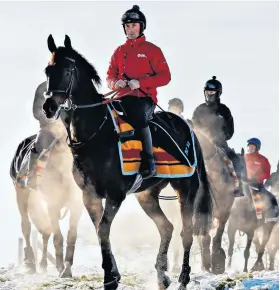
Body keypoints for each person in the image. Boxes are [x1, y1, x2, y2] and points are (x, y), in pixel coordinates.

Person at [106, 5, 171, 179]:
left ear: (141, 26)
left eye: (134, 25)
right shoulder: (118, 52)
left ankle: (149, 162)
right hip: (121, 98)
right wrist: (115, 83)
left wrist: (141, 82)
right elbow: (109, 76)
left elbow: (165, 77)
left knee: (137, 114)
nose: (130, 29)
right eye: (127, 26)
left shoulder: (152, 50)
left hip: (144, 99)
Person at [25, 81, 58, 188]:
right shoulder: (43, 87)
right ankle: (31, 177)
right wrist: (49, 120)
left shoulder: (70, 84)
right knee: (39, 145)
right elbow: (37, 111)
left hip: (66, 127)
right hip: (47, 128)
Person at [244, 138, 278, 219]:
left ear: (257, 148)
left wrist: (258, 178)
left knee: (271, 198)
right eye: (249, 146)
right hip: (244, 183)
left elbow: (267, 173)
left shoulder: (263, 159)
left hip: (257, 185)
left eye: (252, 146)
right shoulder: (244, 157)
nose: (250, 148)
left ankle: (271, 216)